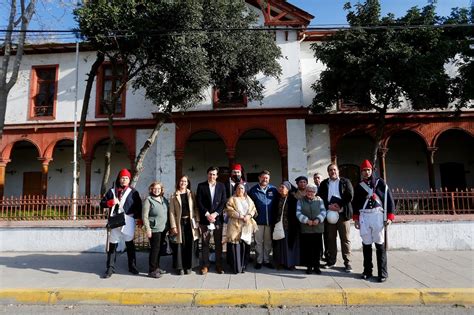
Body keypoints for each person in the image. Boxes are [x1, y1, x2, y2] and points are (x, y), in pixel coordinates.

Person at [353, 160, 395, 283]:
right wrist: (356, 218)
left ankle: (382, 273)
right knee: (366, 244)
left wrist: (389, 217)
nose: (366, 172)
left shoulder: (380, 183)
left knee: (379, 244)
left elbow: (389, 198)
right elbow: (355, 203)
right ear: (361, 173)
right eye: (364, 171)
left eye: (368, 170)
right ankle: (367, 271)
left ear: (371, 171)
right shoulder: (359, 186)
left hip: (377, 215)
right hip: (364, 217)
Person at [100, 169, 142, 278]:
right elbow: (102, 203)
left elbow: (138, 207)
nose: (124, 180)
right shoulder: (112, 191)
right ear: (119, 179)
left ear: (129, 180)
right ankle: (110, 268)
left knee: (130, 245)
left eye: (126, 178)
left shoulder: (133, 192)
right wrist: (111, 202)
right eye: (122, 178)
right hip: (115, 220)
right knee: (112, 245)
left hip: (128, 221)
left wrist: (138, 218)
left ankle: (132, 266)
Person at [317, 163, 354, 272]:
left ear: (338, 171)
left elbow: (350, 195)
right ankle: (331, 261)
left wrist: (339, 205)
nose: (333, 172)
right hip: (329, 214)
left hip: (342, 214)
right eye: (330, 170)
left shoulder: (345, 182)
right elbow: (321, 197)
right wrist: (328, 206)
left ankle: (348, 263)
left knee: (345, 239)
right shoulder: (324, 183)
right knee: (330, 239)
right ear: (328, 172)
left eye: (334, 170)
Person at [196, 166, 227, 274]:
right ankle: (205, 265)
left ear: (217, 176)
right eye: (210, 174)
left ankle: (219, 264)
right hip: (205, 219)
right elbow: (199, 202)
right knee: (205, 242)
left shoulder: (221, 186)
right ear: (207, 174)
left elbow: (223, 202)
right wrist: (207, 214)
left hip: (217, 220)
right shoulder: (201, 186)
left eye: (214, 174)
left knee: (218, 243)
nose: (212, 176)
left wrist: (215, 213)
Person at [169, 175, 200, 275]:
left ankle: (189, 266)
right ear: (179, 183)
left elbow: (196, 208)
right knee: (180, 245)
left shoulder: (191, 194)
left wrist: (197, 220)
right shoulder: (174, 196)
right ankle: (180, 267)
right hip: (179, 223)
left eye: (185, 181)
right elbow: (171, 212)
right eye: (181, 181)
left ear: (188, 183)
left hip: (190, 222)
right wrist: (173, 226)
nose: (183, 183)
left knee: (190, 244)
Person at [248, 170, 278, 269]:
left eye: (267, 178)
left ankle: (267, 260)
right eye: (263, 177)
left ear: (269, 179)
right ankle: (259, 260)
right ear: (259, 178)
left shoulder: (273, 189)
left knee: (268, 242)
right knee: (258, 242)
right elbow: (250, 206)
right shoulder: (253, 190)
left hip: (270, 221)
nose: (265, 179)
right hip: (258, 221)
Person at [225, 183, 258, 274]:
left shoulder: (248, 199)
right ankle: (236, 266)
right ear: (235, 190)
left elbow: (253, 208)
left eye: (242, 188)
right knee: (235, 245)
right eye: (238, 188)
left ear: (245, 190)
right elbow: (229, 210)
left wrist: (249, 216)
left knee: (245, 245)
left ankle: (244, 265)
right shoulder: (232, 199)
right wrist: (240, 216)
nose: (240, 190)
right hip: (235, 225)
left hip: (246, 224)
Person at [296, 184, 326, 274]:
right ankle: (309, 266)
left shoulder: (319, 200)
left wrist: (318, 219)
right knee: (307, 249)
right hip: (306, 228)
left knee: (317, 249)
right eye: (308, 191)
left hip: (317, 228)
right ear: (306, 192)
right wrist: (306, 220)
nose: (310, 193)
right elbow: (298, 213)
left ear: (315, 192)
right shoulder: (300, 201)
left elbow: (323, 211)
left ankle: (316, 266)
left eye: (312, 191)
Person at [142, 181, 169, 278]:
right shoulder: (148, 200)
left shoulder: (164, 199)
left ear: (161, 190)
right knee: (154, 250)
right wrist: (148, 229)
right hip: (154, 229)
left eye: (159, 188)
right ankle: (152, 270)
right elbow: (145, 216)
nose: (157, 190)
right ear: (151, 189)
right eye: (155, 188)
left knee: (159, 249)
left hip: (163, 228)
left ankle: (157, 267)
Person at [272, 181, 299, 270]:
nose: (280, 189)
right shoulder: (276, 199)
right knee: (280, 246)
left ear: (288, 189)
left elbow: (295, 214)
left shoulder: (293, 200)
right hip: (279, 226)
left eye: (283, 187)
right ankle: (280, 263)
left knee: (289, 246)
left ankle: (290, 264)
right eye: (280, 187)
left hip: (289, 226)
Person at [314, 172, 327, 262]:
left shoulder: (326, 188)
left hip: (326, 216)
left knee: (327, 237)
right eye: (315, 178)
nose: (317, 179)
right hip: (316, 217)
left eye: (318, 178)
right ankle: (319, 255)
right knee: (318, 238)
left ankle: (327, 255)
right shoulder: (313, 189)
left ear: (321, 179)